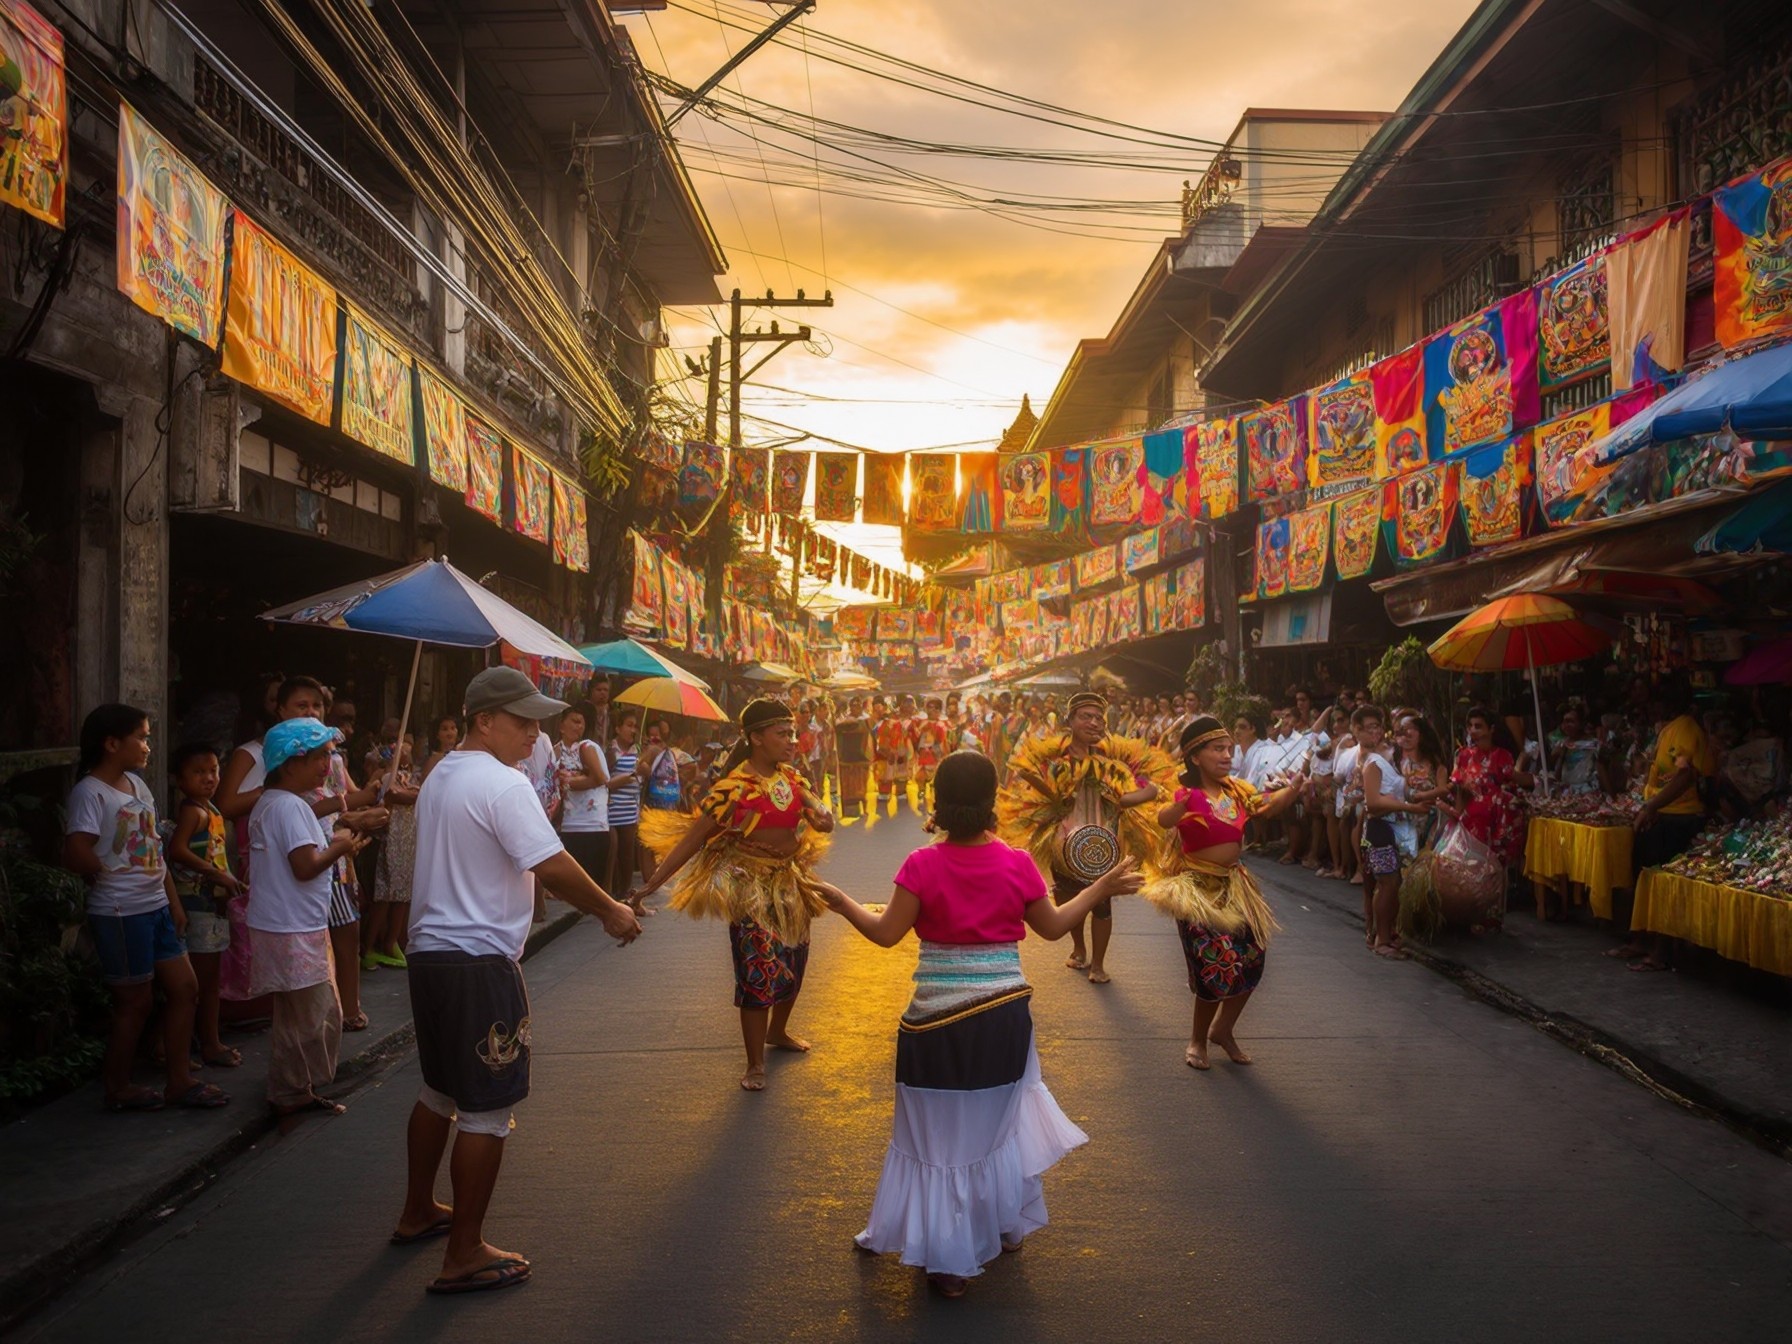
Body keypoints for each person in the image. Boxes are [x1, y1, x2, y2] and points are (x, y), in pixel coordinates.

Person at [815, 751, 1140, 1298]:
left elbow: (886, 933)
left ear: (937, 804)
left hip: (934, 1024)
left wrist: (844, 901)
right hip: (1004, 1016)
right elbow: (1056, 928)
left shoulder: (921, 864)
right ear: (993, 803)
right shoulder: (1016, 863)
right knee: (996, 1126)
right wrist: (1099, 889)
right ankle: (1003, 1225)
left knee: (936, 1137)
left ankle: (948, 1263)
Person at [394, 667, 641, 1295]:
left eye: (538, 723)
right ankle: (464, 1251)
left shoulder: (442, 774)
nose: (535, 735)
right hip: (478, 961)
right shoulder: (503, 785)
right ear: (485, 720)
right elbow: (552, 865)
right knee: (486, 1110)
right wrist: (610, 908)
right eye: (523, 722)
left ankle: (419, 1209)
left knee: (438, 1092)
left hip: (431, 954)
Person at [636, 699, 836, 1091]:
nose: (792, 741)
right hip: (748, 887)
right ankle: (755, 1062)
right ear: (756, 738)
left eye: (793, 733)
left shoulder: (793, 779)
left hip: (790, 885)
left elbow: (817, 809)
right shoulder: (731, 791)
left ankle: (778, 1031)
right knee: (757, 968)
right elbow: (690, 842)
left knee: (794, 961)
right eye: (783, 734)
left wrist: (822, 815)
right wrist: (648, 887)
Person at [66, 705, 228, 1112]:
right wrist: (103, 870)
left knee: (185, 988)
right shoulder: (90, 792)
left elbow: (154, 849)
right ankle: (118, 1087)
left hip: (156, 906)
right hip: (120, 912)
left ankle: (180, 1081)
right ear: (111, 743)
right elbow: (76, 850)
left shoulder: (138, 786)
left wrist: (172, 902)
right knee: (134, 1003)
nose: (147, 746)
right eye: (141, 737)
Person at [1143, 717, 1299, 1069]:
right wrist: (1180, 805)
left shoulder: (1237, 791)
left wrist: (1296, 787)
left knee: (1252, 959)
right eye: (1217, 749)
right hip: (1198, 890)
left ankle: (1223, 1029)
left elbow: (1266, 806)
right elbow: (1163, 820)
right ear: (1195, 757)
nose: (1227, 755)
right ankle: (1198, 1040)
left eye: (1229, 748)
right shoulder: (1187, 795)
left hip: (1236, 886)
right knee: (1214, 966)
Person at [995, 691, 1172, 985]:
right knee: (1067, 895)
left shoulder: (1113, 754)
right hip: (1062, 834)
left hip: (1102, 836)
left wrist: (1140, 795)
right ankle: (1079, 947)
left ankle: (1098, 964)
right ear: (1070, 721)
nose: (1093, 723)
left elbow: (1138, 790)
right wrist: (1055, 794)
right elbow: (1024, 769)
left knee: (1102, 900)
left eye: (1098, 718)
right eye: (1085, 717)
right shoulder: (1055, 755)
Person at [248, 718, 369, 1118]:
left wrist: (340, 841)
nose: (326, 764)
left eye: (329, 755)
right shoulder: (288, 807)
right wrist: (343, 846)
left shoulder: (275, 804)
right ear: (290, 763)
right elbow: (306, 865)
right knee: (318, 1015)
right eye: (319, 756)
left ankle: (292, 1089)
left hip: (284, 923)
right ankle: (292, 1091)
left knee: (296, 1014)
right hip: (292, 926)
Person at [1615, 680, 1715, 971]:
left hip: (1678, 819)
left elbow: (1684, 776)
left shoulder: (1684, 729)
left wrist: (1651, 807)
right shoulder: (1670, 729)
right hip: (1664, 815)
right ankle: (1641, 941)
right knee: (1647, 881)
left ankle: (1661, 952)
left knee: (1661, 885)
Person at [164, 743, 247, 1069]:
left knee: (208, 983)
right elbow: (178, 850)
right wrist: (217, 875)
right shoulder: (193, 812)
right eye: (199, 773)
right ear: (180, 780)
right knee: (200, 984)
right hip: (195, 902)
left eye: (213, 771)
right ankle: (204, 1045)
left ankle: (202, 1043)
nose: (209, 778)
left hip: (210, 903)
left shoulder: (210, 809)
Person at [1361, 712, 1430, 959]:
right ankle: (1381, 939)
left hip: (1391, 830)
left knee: (1392, 884)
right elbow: (1373, 803)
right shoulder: (1373, 764)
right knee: (1387, 884)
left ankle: (1385, 933)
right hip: (1380, 830)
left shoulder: (1391, 765)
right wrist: (1409, 807)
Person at [1448, 705, 1532, 867]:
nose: (1472, 730)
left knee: (1495, 870)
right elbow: (1458, 789)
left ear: (1491, 729)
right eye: (1470, 726)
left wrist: (1537, 779)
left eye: (1478, 726)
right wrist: (1456, 818)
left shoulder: (1503, 755)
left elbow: (1515, 780)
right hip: (1470, 820)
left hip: (1498, 821)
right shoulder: (1463, 755)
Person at [365, 733, 420, 972]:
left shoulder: (410, 777)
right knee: (386, 894)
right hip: (392, 841)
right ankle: (368, 946)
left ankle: (393, 942)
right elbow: (396, 795)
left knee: (403, 895)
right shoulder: (386, 777)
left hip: (408, 841)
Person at [554, 702, 612, 895]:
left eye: (582, 723)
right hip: (570, 824)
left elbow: (600, 779)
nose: (578, 726)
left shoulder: (586, 747)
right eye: (574, 721)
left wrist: (569, 782)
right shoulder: (555, 751)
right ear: (561, 726)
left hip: (592, 823)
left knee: (592, 887)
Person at [606, 710, 646, 914]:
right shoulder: (610, 751)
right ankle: (611, 892)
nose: (633, 729)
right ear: (618, 728)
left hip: (630, 809)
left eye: (635, 726)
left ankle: (626, 892)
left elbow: (645, 775)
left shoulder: (637, 751)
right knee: (613, 851)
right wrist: (632, 774)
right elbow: (606, 782)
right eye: (629, 725)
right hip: (612, 808)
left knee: (627, 852)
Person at [1549, 703, 1602, 796]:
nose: (1566, 725)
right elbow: (1557, 776)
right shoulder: (1561, 744)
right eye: (1564, 722)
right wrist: (1560, 755)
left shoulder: (1593, 744)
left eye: (1570, 721)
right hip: (1567, 790)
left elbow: (1601, 769)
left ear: (1581, 724)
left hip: (1587, 790)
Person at [833, 696, 871, 819]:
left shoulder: (866, 720)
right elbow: (838, 732)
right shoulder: (844, 720)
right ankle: (849, 811)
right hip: (847, 756)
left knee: (861, 784)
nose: (856, 707)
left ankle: (864, 808)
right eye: (853, 705)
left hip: (861, 756)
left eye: (858, 705)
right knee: (848, 785)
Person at [874, 697, 913, 816]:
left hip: (902, 753)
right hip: (887, 753)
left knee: (901, 779)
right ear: (900, 705)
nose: (908, 708)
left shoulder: (912, 721)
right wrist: (886, 752)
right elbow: (880, 738)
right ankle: (884, 796)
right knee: (885, 777)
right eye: (905, 705)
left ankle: (900, 795)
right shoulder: (888, 721)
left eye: (910, 705)